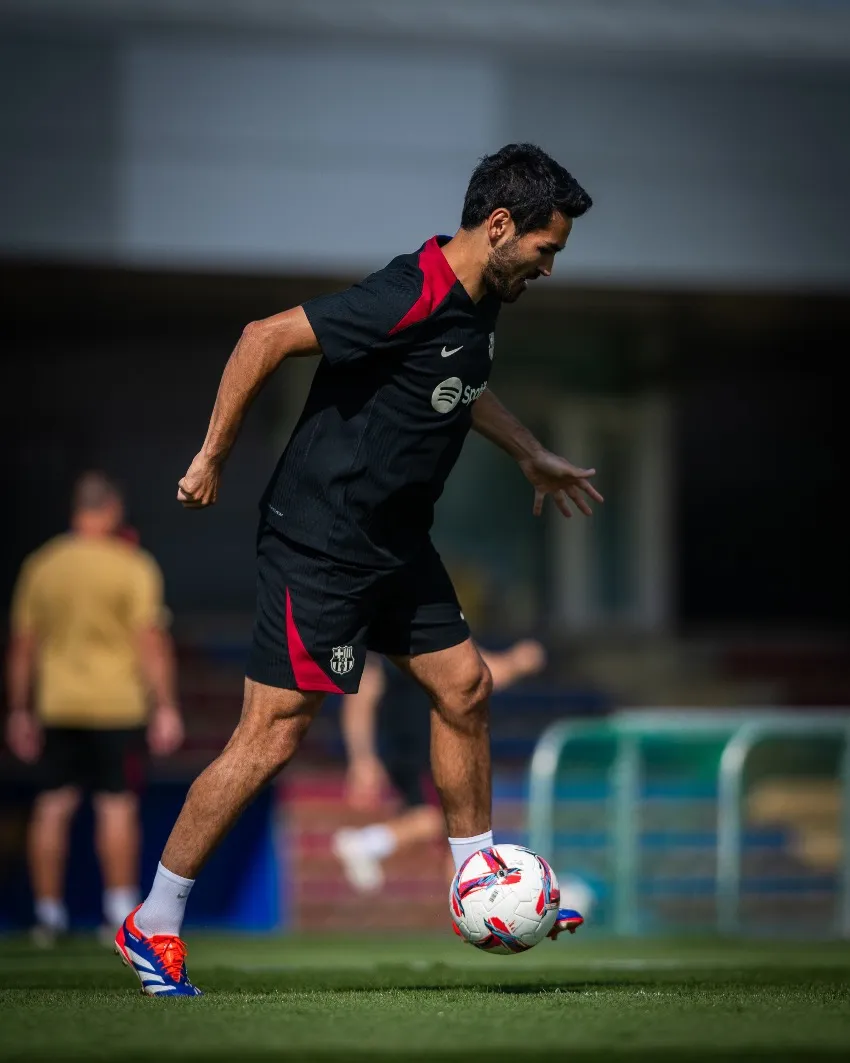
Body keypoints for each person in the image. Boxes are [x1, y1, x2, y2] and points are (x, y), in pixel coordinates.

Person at [117, 142, 601, 995]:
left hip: (396, 542)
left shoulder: (479, 300)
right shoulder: (407, 292)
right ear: (499, 226)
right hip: (322, 542)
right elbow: (262, 337)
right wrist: (213, 455)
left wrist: (531, 453)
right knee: (273, 735)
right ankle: (152, 921)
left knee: (465, 688)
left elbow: (459, 380)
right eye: (545, 248)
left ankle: (478, 883)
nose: (549, 266)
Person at [5, 472, 184, 945]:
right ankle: (119, 914)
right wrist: (165, 705)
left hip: (57, 705)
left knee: (52, 806)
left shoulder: (41, 565)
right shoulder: (132, 566)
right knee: (116, 807)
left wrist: (18, 710)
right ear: (111, 511)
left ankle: (47, 916)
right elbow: (150, 640)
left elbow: (23, 644)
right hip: (117, 707)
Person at [333, 640, 548, 891]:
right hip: (423, 751)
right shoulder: (388, 643)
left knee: (456, 840)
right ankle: (366, 843)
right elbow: (361, 699)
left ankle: (477, 914)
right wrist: (362, 758)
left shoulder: (437, 630)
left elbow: (481, 670)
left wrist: (515, 662)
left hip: (431, 749)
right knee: (445, 823)